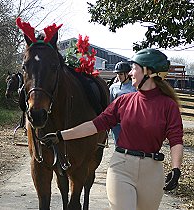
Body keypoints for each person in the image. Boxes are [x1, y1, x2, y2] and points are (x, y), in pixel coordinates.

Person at [49, 48, 184, 210]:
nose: (131, 73)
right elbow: (95, 125)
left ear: (148, 71)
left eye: (134, 68)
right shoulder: (123, 102)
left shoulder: (169, 106)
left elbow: (176, 139)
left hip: (152, 172)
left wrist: (176, 169)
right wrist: (61, 135)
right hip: (121, 167)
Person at [109, 61, 136, 144]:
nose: (119, 76)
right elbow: (111, 104)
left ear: (127, 74)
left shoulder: (135, 87)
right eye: (117, 74)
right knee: (118, 146)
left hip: (131, 122)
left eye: (121, 74)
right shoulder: (113, 87)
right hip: (117, 123)